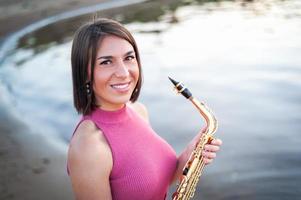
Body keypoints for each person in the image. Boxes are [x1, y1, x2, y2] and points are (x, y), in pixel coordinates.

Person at [67, 18, 222, 200]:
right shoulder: (89, 146)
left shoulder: (138, 110)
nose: (124, 73)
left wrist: (190, 156)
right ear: (84, 73)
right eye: (106, 62)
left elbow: (154, 181)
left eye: (129, 58)